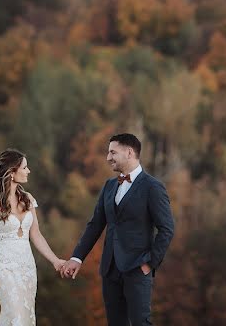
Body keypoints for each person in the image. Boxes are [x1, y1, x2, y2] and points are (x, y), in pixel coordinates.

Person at [60, 133, 174, 326]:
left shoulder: (153, 187)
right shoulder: (109, 185)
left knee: (141, 323)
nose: (108, 157)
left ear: (129, 152)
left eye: (113, 152)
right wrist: (77, 257)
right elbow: (95, 224)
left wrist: (149, 263)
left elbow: (167, 229)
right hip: (110, 269)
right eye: (108, 152)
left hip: (138, 269)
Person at [0, 148, 67, 326]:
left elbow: (36, 234)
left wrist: (55, 261)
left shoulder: (27, 199)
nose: (28, 171)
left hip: (26, 266)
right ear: (12, 172)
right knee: (15, 315)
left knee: (25, 317)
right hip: (4, 267)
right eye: (24, 168)